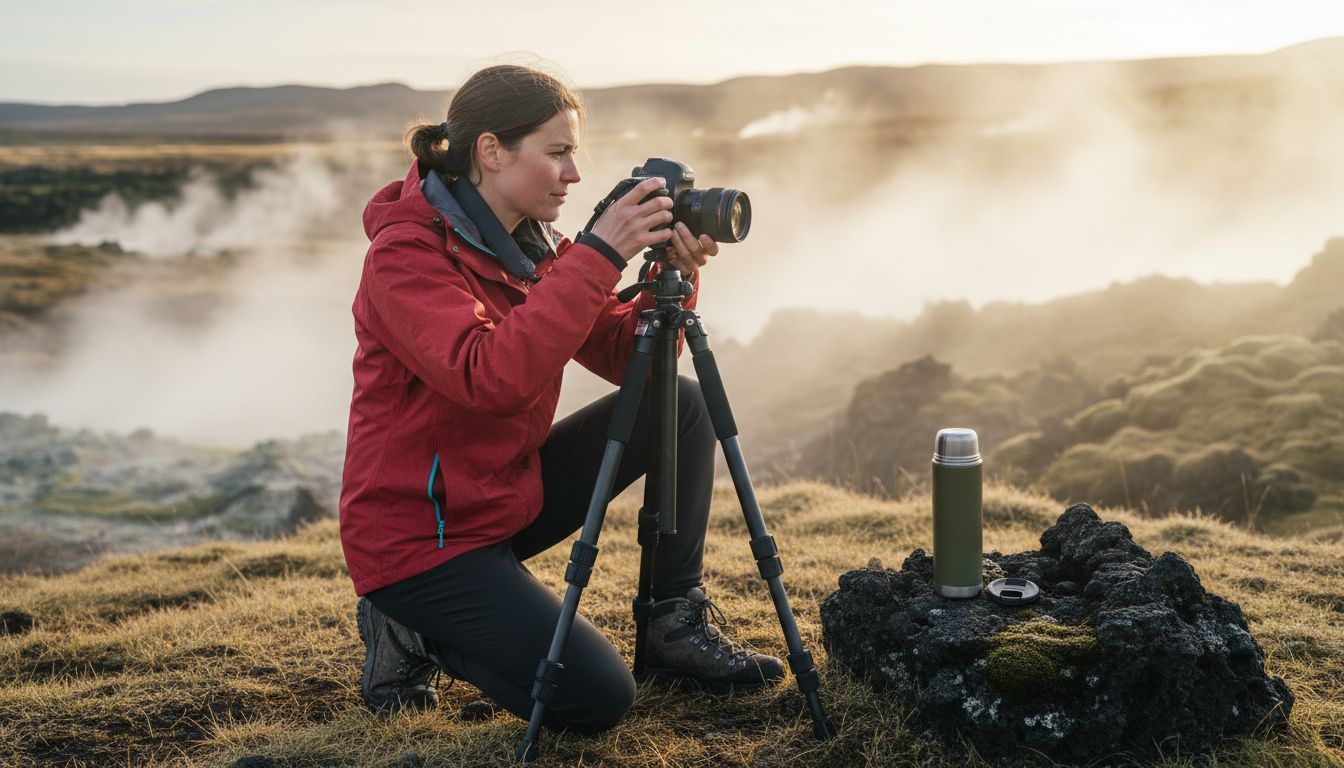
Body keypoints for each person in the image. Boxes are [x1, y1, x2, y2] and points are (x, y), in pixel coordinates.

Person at [339, 63, 784, 735]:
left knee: (680, 407)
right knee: (594, 698)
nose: (575, 174)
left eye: (573, 152)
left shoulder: (528, 244)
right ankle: (410, 631)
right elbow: (490, 378)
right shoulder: (406, 256)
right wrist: (601, 252)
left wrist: (673, 274)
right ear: (490, 151)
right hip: (420, 541)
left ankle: (672, 626)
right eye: (558, 153)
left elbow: (620, 355)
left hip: (500, 499)